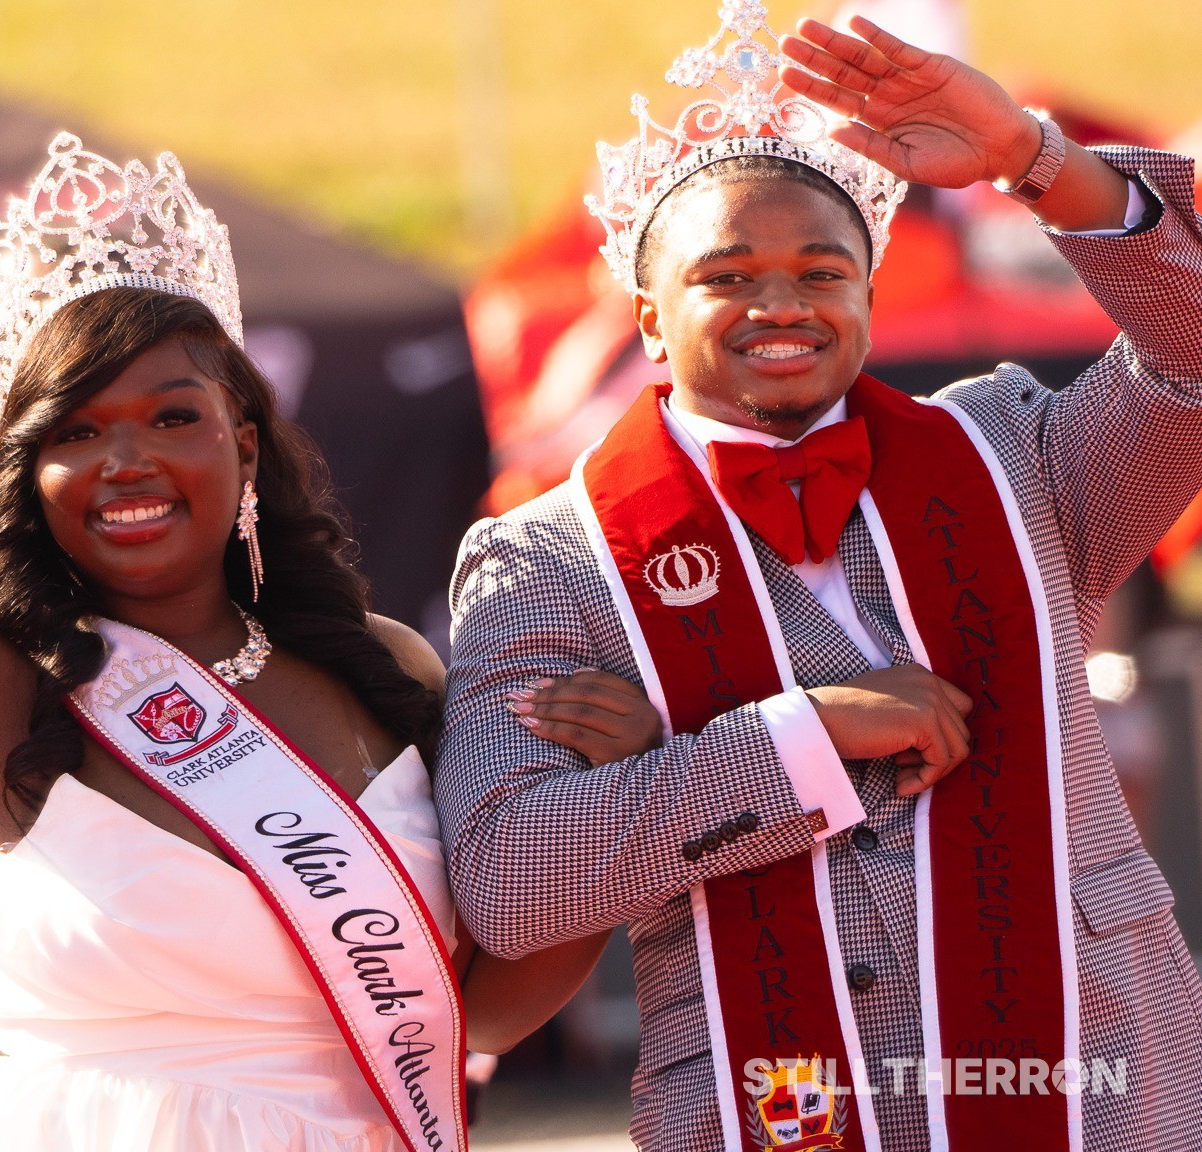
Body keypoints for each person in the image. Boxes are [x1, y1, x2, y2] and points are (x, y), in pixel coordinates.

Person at [0, 109, 611, 1151]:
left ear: (245, 449)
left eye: (173, 418)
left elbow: (482, 1008)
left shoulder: (381, 666)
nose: (126, 460)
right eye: (76, 432)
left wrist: (606, 808)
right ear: (26, 478)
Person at [436, 5, 1202, 1151]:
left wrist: (1028, 160)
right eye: (726, 274)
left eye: (819, 270)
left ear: (866, 294)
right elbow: (512, 880)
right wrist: (801, 737)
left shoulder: (1015, 454)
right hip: (772, 1105)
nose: (781, 304)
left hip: (1095, 1084)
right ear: (646, 315)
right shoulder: (547, 557)